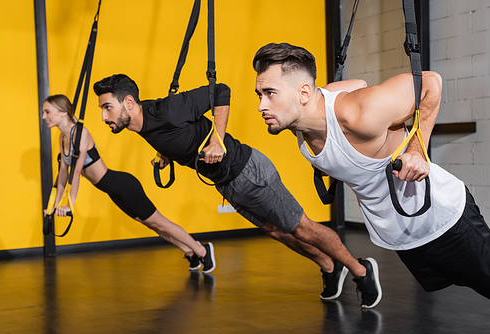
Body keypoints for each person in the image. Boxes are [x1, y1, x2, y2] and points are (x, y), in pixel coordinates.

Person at [92, 75, 382, 309]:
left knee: (302, 228)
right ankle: (328, 265)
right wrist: (165, 153)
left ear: (128, 103)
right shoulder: (145, 125)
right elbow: (174, 134)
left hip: (248, 171)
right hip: (228, 184)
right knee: (277, 232)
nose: (104, 116)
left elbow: (220, 90)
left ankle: (361, 271)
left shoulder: (167, 109)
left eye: (107, 107)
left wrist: (218, 140)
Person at [252, 42, 490, 299]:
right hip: (402, 236)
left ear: (304, 93)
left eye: (270, 93)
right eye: (259, 94)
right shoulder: (302, 120)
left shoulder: (358, 115)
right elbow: (358, 83)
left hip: (441, 219)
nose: (261, 106)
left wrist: (417, 149)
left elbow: (431, 82)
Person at [42, 94, 216, 273]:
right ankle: (189, 251)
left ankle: (202, 250)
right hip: (113, 191)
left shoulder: (80, 133)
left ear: (62, 113)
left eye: (47, 112)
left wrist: (70, 204)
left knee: (161, 223)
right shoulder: (63, 138)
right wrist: (53, 206)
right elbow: (63, 173)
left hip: (123, 186)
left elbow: (76, 172)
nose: (44, 116)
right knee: (153, 225)